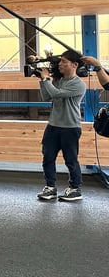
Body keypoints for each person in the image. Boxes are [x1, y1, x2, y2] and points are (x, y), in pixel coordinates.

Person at [35, 50, 86, 202]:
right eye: (60, 61)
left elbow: (56, 94)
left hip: (70, 127)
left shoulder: (78, 84)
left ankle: (75, 188)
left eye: (64, 61)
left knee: (71, 160)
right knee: (47, 158)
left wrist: (46, 80)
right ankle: (50, 187)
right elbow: (46, 96)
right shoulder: (58, 80)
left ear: (74, 65)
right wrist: (42, 80)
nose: (60, 64)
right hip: (53, 125)